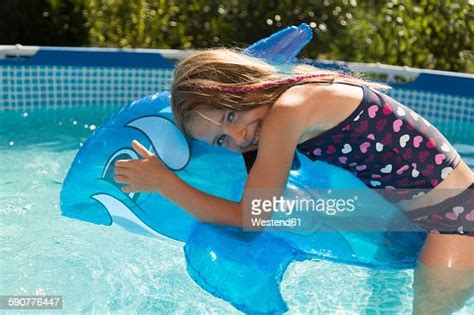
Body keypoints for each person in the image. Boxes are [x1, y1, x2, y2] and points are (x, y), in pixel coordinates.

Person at [114, 49, 474, 313]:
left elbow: (251, 218)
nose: (238, 137)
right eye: (221, 140)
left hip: (456, 223)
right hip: (433, 216)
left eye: (231, 113)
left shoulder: (287, 112)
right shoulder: (301, 90)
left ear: (246, 85)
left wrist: (165, 183)